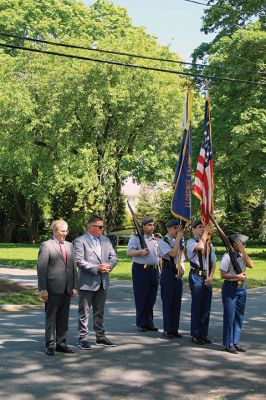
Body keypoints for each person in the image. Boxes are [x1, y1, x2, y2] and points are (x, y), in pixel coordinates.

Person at [74, 216, 118, 350]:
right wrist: (96, 268)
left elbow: (114, 256)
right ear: (91, 227)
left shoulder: (105, 240)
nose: (102, 229)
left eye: (102, 226)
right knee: (84, 312)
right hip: (87, 281)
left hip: (103, 281)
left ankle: (100, 337)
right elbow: (79, 260)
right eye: (100, 227)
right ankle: (83, 338)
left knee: (99, 311)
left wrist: (109, 266)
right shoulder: (80, 241)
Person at [37, 219, 78, 356]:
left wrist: (74, 286)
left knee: (63, 317)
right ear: (54, 231)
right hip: (52, 288)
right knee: (51, 317)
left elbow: (73, 266)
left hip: (67, 288)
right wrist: (43, 289)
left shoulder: (69, 245)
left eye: (66, 230)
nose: (65, 233)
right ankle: (50, 344)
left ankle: (61, 344)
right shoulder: (46, 246)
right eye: (62, 231)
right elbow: (41, 269)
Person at [220, 233, 254, 354]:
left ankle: (235, 342)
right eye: (242, 244)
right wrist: (236, 276)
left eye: (244, 244)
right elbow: (222, 275)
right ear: (235, 244)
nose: (244, 245)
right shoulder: (227, 256)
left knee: (239, 317)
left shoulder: (242, 255)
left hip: (241, 289)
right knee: (229, 317)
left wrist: (243, 252)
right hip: (230, 287)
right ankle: (228, 344)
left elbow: (251, 265)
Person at [127, 216, 160, 332]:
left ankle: (149, 322)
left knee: (151, 298)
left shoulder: (156, 239)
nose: (152, 227)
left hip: (154, 270)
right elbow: (129, 252)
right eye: (149, 225)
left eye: (153, 225)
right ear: (143, 226)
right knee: (141, 297)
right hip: (141, 270)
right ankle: (141, 323)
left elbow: (158, 255)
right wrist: (140, 252)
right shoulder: (135, 238)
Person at [186, 219, 216, 345]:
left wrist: (211, 276)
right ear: (193, 229)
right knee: (197, 305)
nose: (202, 229)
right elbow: (200, 247)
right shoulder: (190, 242)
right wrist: (206, 233)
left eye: (204, 227)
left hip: (206, 276)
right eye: (199, 227)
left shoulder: (210, 244)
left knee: (206, 306)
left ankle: (204, 334)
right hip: (196, 276)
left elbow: (214, 262)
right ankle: (196, 334)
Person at [158, 219, 185, 338]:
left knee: (177, 301)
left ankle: (175, 329)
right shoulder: (162, 241)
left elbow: (181, 257)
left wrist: (182, 268)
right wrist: (178, 239)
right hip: (168, 272)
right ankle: (168, 329)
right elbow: (173, 254)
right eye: (174, 228)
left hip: (176, 272)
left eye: (177, 228)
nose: (176, 231)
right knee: (168, 301)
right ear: (168, 229)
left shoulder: (177, 240)